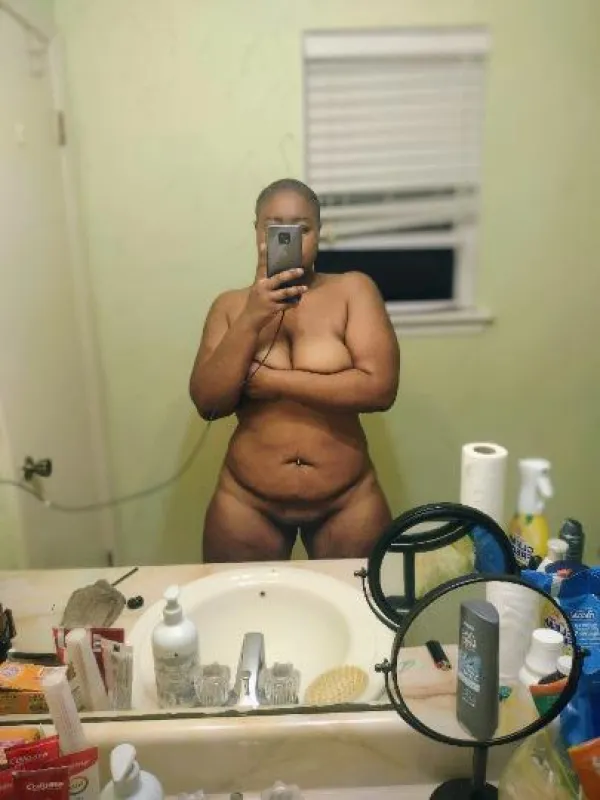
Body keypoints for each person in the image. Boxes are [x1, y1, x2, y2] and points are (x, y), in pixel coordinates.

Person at [189, 178, 400, 562]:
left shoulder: (353, 291)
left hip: (348, 499)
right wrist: (252, 316)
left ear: (318, 233)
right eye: (275, 228)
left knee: (359, 599)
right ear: (257, 232)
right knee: (239, 601)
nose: (290, 240)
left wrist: (270, 381)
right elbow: (208, 403)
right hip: (246, 500)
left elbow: (379, 388)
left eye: (302, 229)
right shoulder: (230, 306)